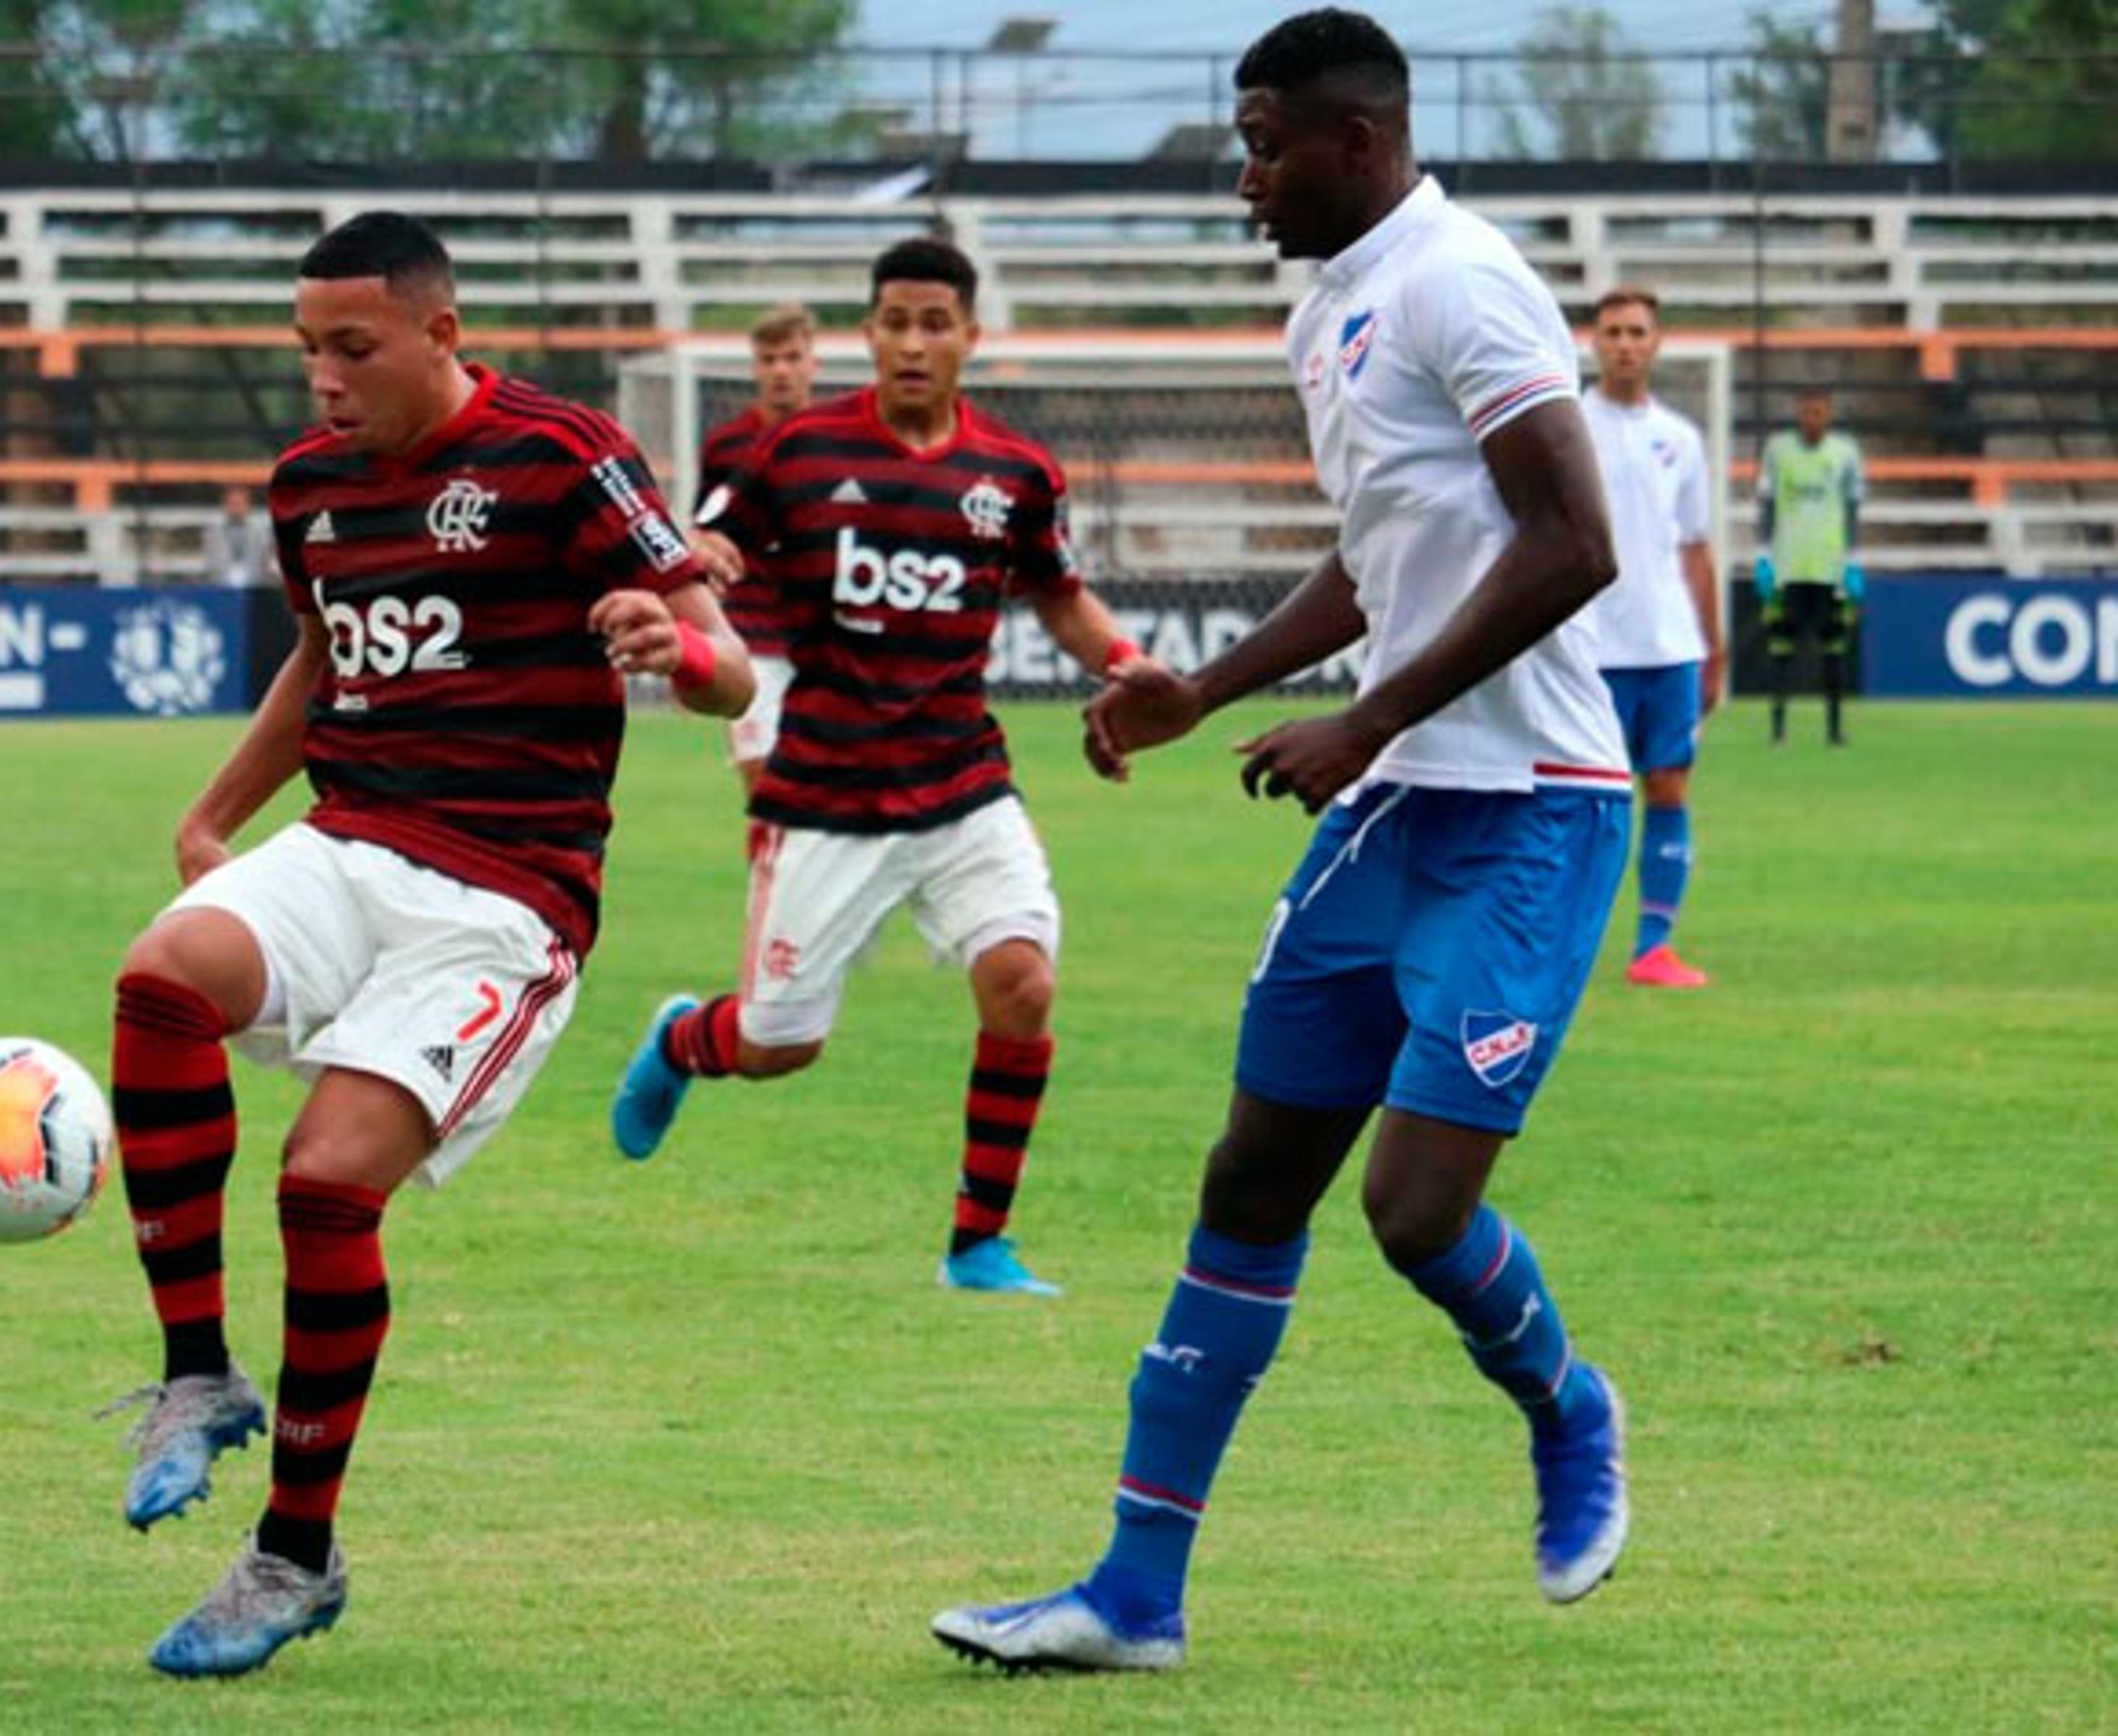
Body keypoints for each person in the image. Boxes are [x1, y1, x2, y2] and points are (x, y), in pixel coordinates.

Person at [930, 9, 1633, 1673]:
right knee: (1249, 1175)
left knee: (1407, 1204)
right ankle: (1131, 1591)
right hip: (1395, 806)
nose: (1242, 180)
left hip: (1528, 806)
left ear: (1359, 140)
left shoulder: (1459, 278)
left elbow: (1573, 539)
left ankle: (1565, 1396)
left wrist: (1366, 717)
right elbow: (1378, 551)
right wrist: (1208, 686)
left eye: (1261, 146)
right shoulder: (1332, 302)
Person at [101, 210, 752, 1681]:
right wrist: (216, 812)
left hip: (506, 895)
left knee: (327, 1185)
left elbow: (730, 665)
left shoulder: (564, 452)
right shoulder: (311, 484)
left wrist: (680, 650)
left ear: (441, 333)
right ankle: (197, 1373)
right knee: (160, 978)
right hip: (347, 843)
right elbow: (327, 653)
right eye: (305, 351)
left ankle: (292, 1556)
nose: (323, 380)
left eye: (353, 347)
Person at [609, 237, 1155, 1299]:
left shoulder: (1016, 475)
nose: (914, 343)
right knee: (777, 1044)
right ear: (868, 335)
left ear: (970, 339)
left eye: (935, 323)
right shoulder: (794, 454)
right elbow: (696, 545)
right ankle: (684, 1039)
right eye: (896, 323)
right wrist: (701, 558)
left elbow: (1061, 598)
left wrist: (1135, 669)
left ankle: (977, 1244)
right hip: (828, 794)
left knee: (1022, 983)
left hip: (963, 783)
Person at [1580, 286, 1723, 989]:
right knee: (1584, 802)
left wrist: (1715, 646)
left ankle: (1652, 948)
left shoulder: (1682, 439)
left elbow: (1695, 547)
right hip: (1590, 649)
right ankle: (1565, 940)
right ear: (1594, 341)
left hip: (1669, 647)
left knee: (1668, 787)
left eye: (1638, 331)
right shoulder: (1570, 425)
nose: (1626, 343)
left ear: (1657, 343)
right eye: (1613, 332)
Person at [691, 303, 820, 829]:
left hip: (822, 642)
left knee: (827, 789)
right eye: (770, 359)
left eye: (792, 358)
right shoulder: (727, 447)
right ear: (755, 367)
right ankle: (770, 905)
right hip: (752, 641)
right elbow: (702, 543)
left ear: (813, 363)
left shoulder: (838, 442)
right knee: (764, 787)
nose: (781, 370)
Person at [1756, 386, 1864, 746]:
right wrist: (1763, 555)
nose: (1811, 419)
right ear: (1798, 414)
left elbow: (1851, 508)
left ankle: (1834, 730)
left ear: (1828, 416)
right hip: (1788, 566)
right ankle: (1777, 729)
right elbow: (1767, 505)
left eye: (1818, 412)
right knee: (1781, 648)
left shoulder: (1845, 454)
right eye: (1806, 412)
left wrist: (1853, 561)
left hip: (1830, 568)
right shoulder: (1778, 451)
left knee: (1833, 650)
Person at [200, 485, 274, 589]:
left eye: (239, 504)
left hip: (255, 588)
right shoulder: (212, 532)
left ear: (248, 506)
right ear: (225, 506)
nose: (236, 507)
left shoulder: (262, 532)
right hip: (221, 587)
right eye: (232, 504)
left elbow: (267, 561)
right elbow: (210, 562)